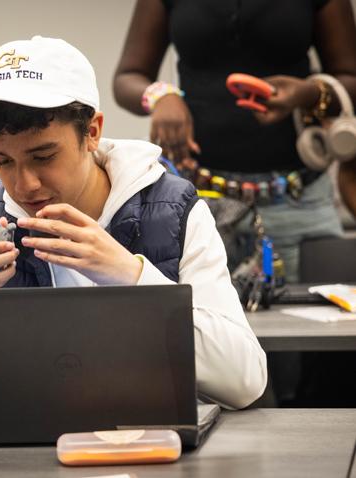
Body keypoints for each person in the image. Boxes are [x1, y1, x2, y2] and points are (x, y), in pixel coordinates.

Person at [0, 36, 267, 410]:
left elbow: (243, 380)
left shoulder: (172, 210)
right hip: (19, 459)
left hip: (152, 455)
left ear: (91, 132)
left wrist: (132, 277)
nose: (24, 185)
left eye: (44, 156)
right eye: (3, 162)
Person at [112, 0, 356, 284]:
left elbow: (350, 78)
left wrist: (308, 93)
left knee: (323, 320)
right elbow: (128, 77)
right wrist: (160, 96)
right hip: (196, 204)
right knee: (193, 321)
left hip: (297, 200)